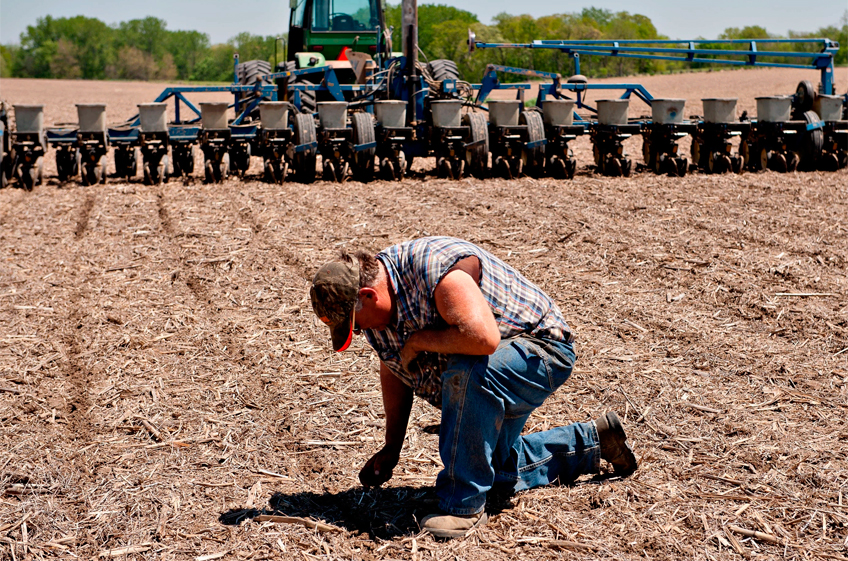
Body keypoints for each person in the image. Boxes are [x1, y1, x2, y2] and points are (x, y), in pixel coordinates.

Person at [309, 236, 637, 538]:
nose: (362, 331)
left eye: (356, 323)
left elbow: (483, 339)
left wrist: (421, 340)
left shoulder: (432, 271)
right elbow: (395, 369)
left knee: (466, 371)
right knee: (494, 470)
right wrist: (391, 448)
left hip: (542, 350)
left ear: (367, 296)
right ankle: (593, 442)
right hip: (492, 368)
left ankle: (461, 507)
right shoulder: (378, 316)